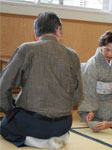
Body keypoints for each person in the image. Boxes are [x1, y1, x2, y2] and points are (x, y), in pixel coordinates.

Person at [0, 11, 83, 149]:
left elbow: (2, 87)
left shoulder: (26, 49)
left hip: (31, 123)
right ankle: (58, 137)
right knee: (56, 126)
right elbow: (78, 95)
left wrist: (10, 111)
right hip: (63, 125)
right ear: (58, 30)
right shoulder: (73, 55)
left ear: (36, 33)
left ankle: (34, 141)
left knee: (4, 126)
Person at [78, 30, 112, 123]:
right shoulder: (93, 63)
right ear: (101, 47)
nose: (110, 54)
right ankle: (89, 114)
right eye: (107, 50)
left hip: (111, 97)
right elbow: (88, 88)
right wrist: (90, 109)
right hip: (95, 99)